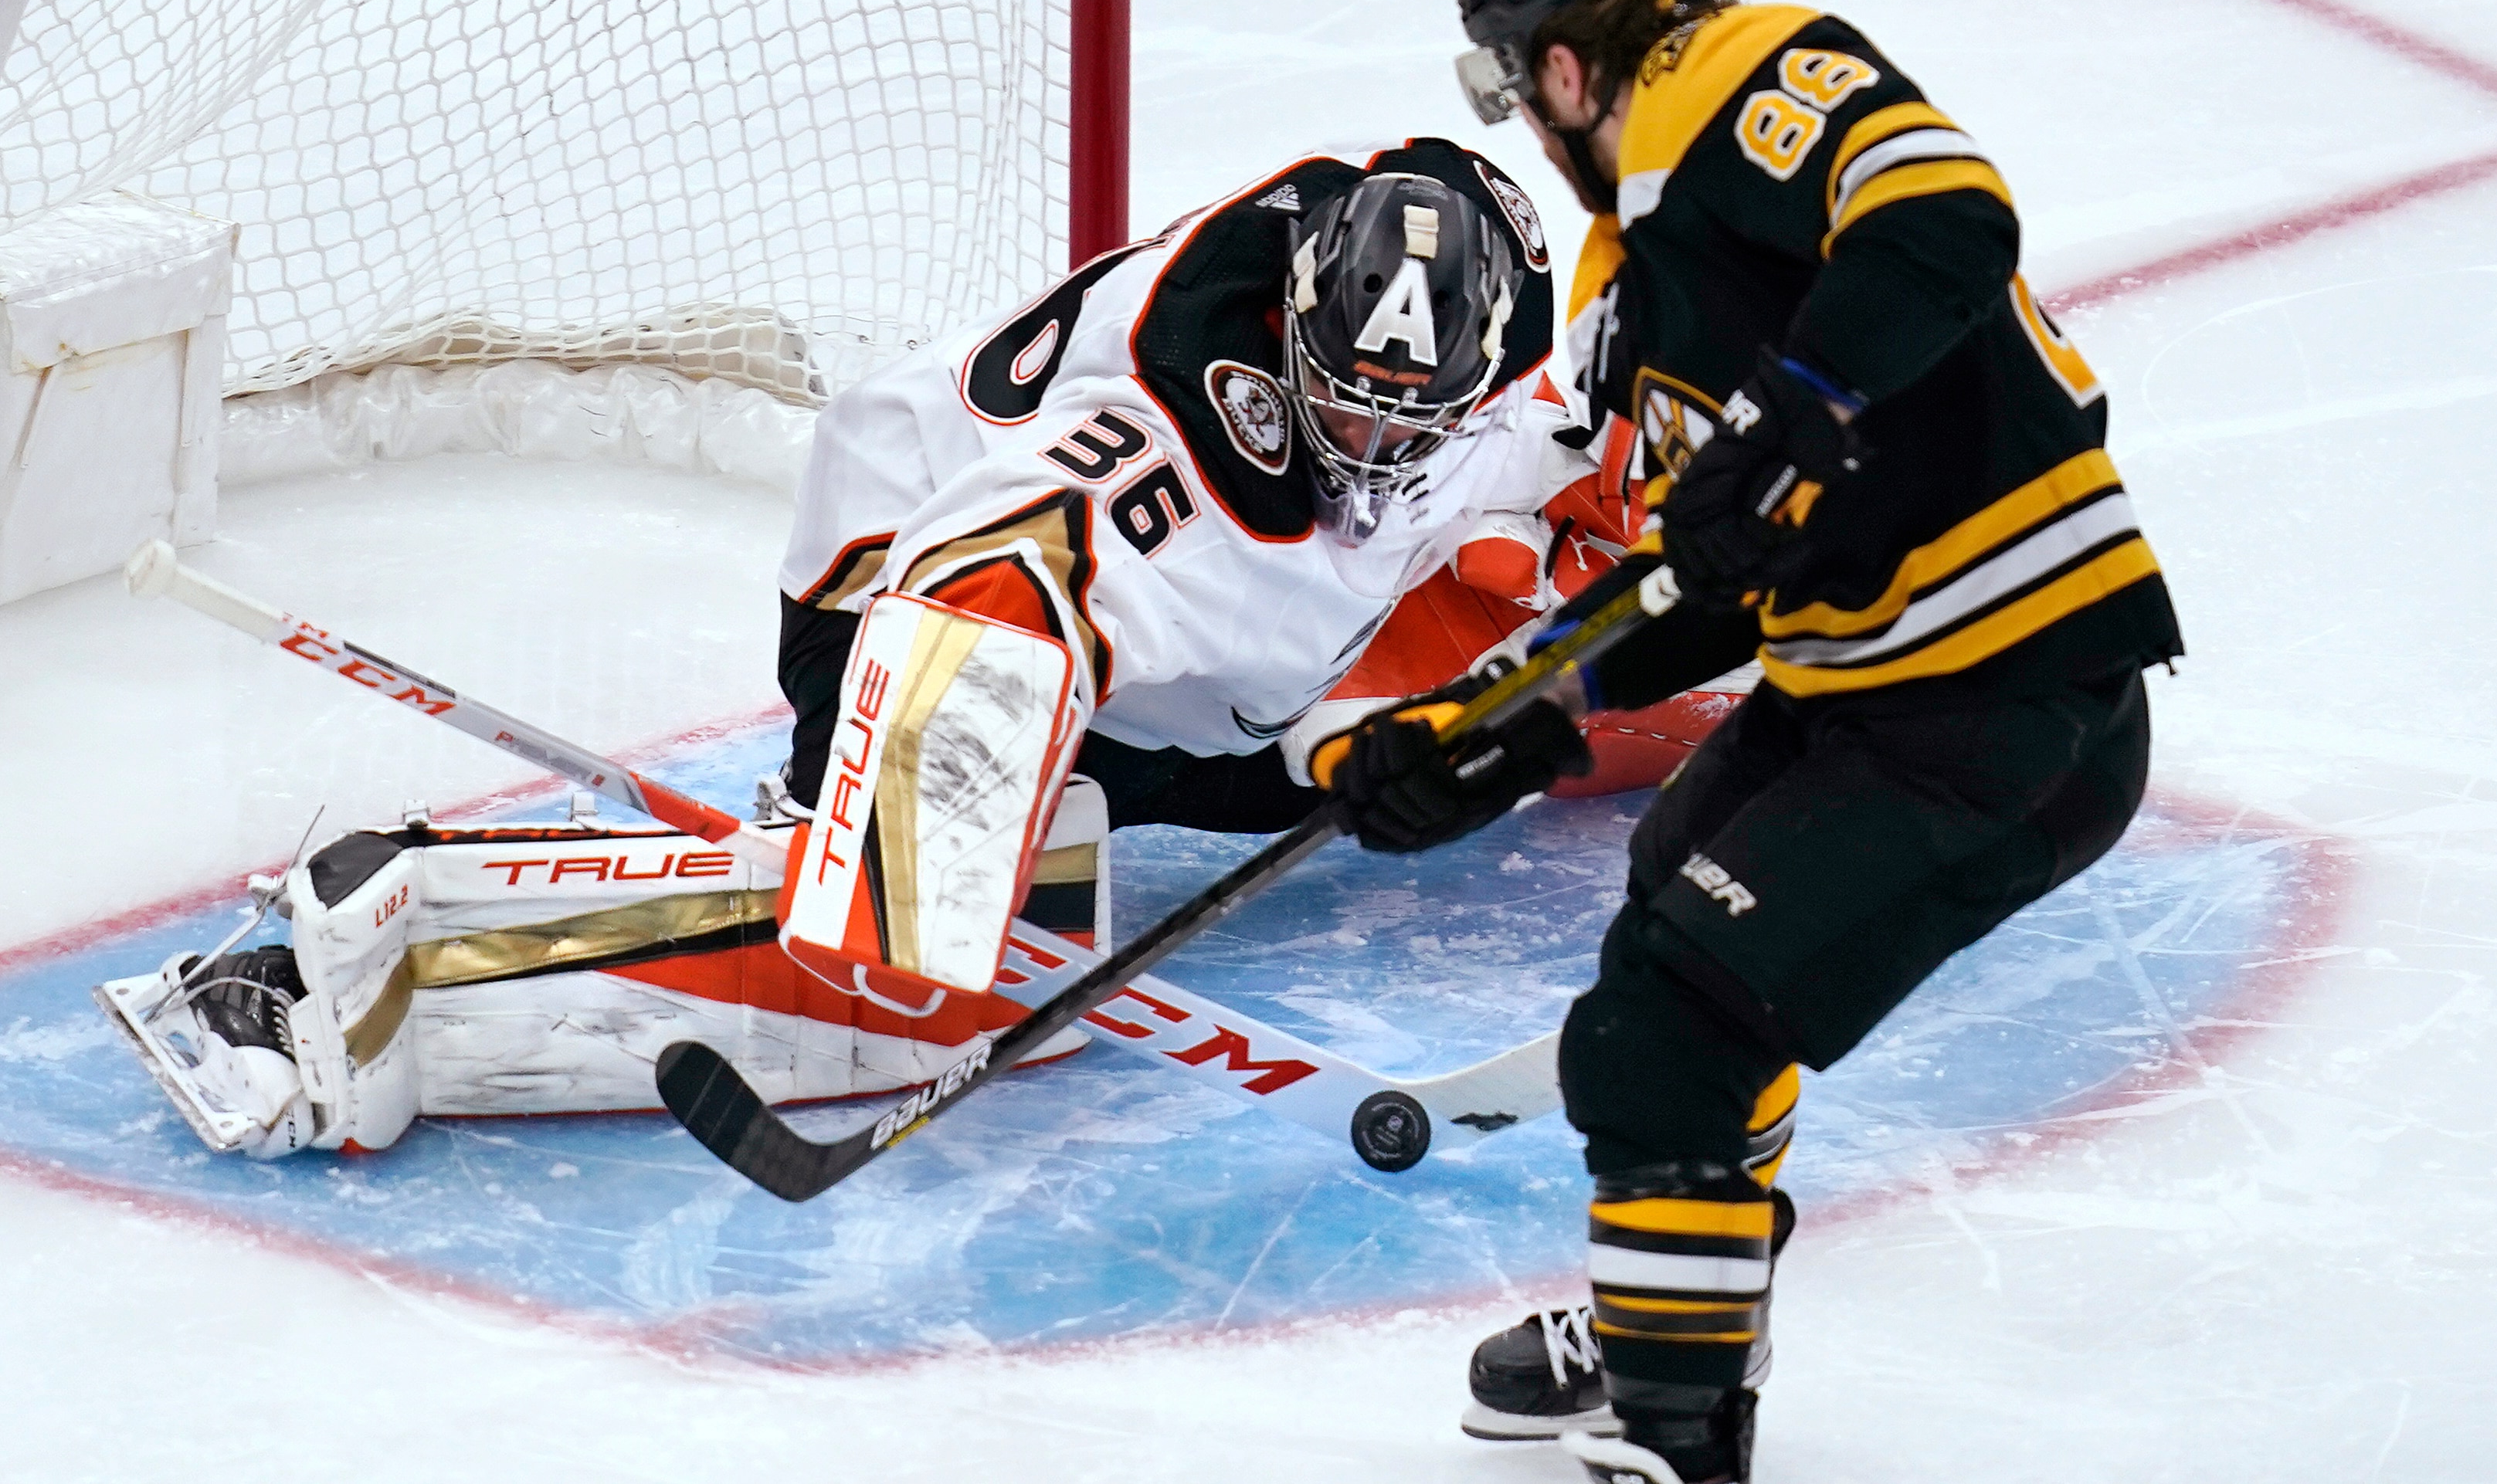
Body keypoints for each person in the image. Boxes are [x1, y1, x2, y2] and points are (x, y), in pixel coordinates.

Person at [112, 141, 1624, 1160]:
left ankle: (885, 854)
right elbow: (997, 566)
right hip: (893, 597)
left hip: (1165, 681)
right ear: (1294, 322)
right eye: (1335, 400)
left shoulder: (1494, 398)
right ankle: (376, 952)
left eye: (1405, 423)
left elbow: (1594, 460)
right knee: (917, 971)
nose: (1362, 443)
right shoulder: (1174, 427)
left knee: (1490, 713)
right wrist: (927, 846)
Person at [1323, 0, 2187, 1484]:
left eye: (1522, 85)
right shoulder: (1640, 275)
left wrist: (1802, 401)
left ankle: (1677, 1433)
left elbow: (1943, 217)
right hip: (1891, 690)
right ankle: (1680, 1323)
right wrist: (1511, 724)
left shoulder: (1727, 80)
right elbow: (1708, 578)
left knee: (1668, 1036)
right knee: (1673, 905)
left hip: (2006, 696)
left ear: (1565, 67)